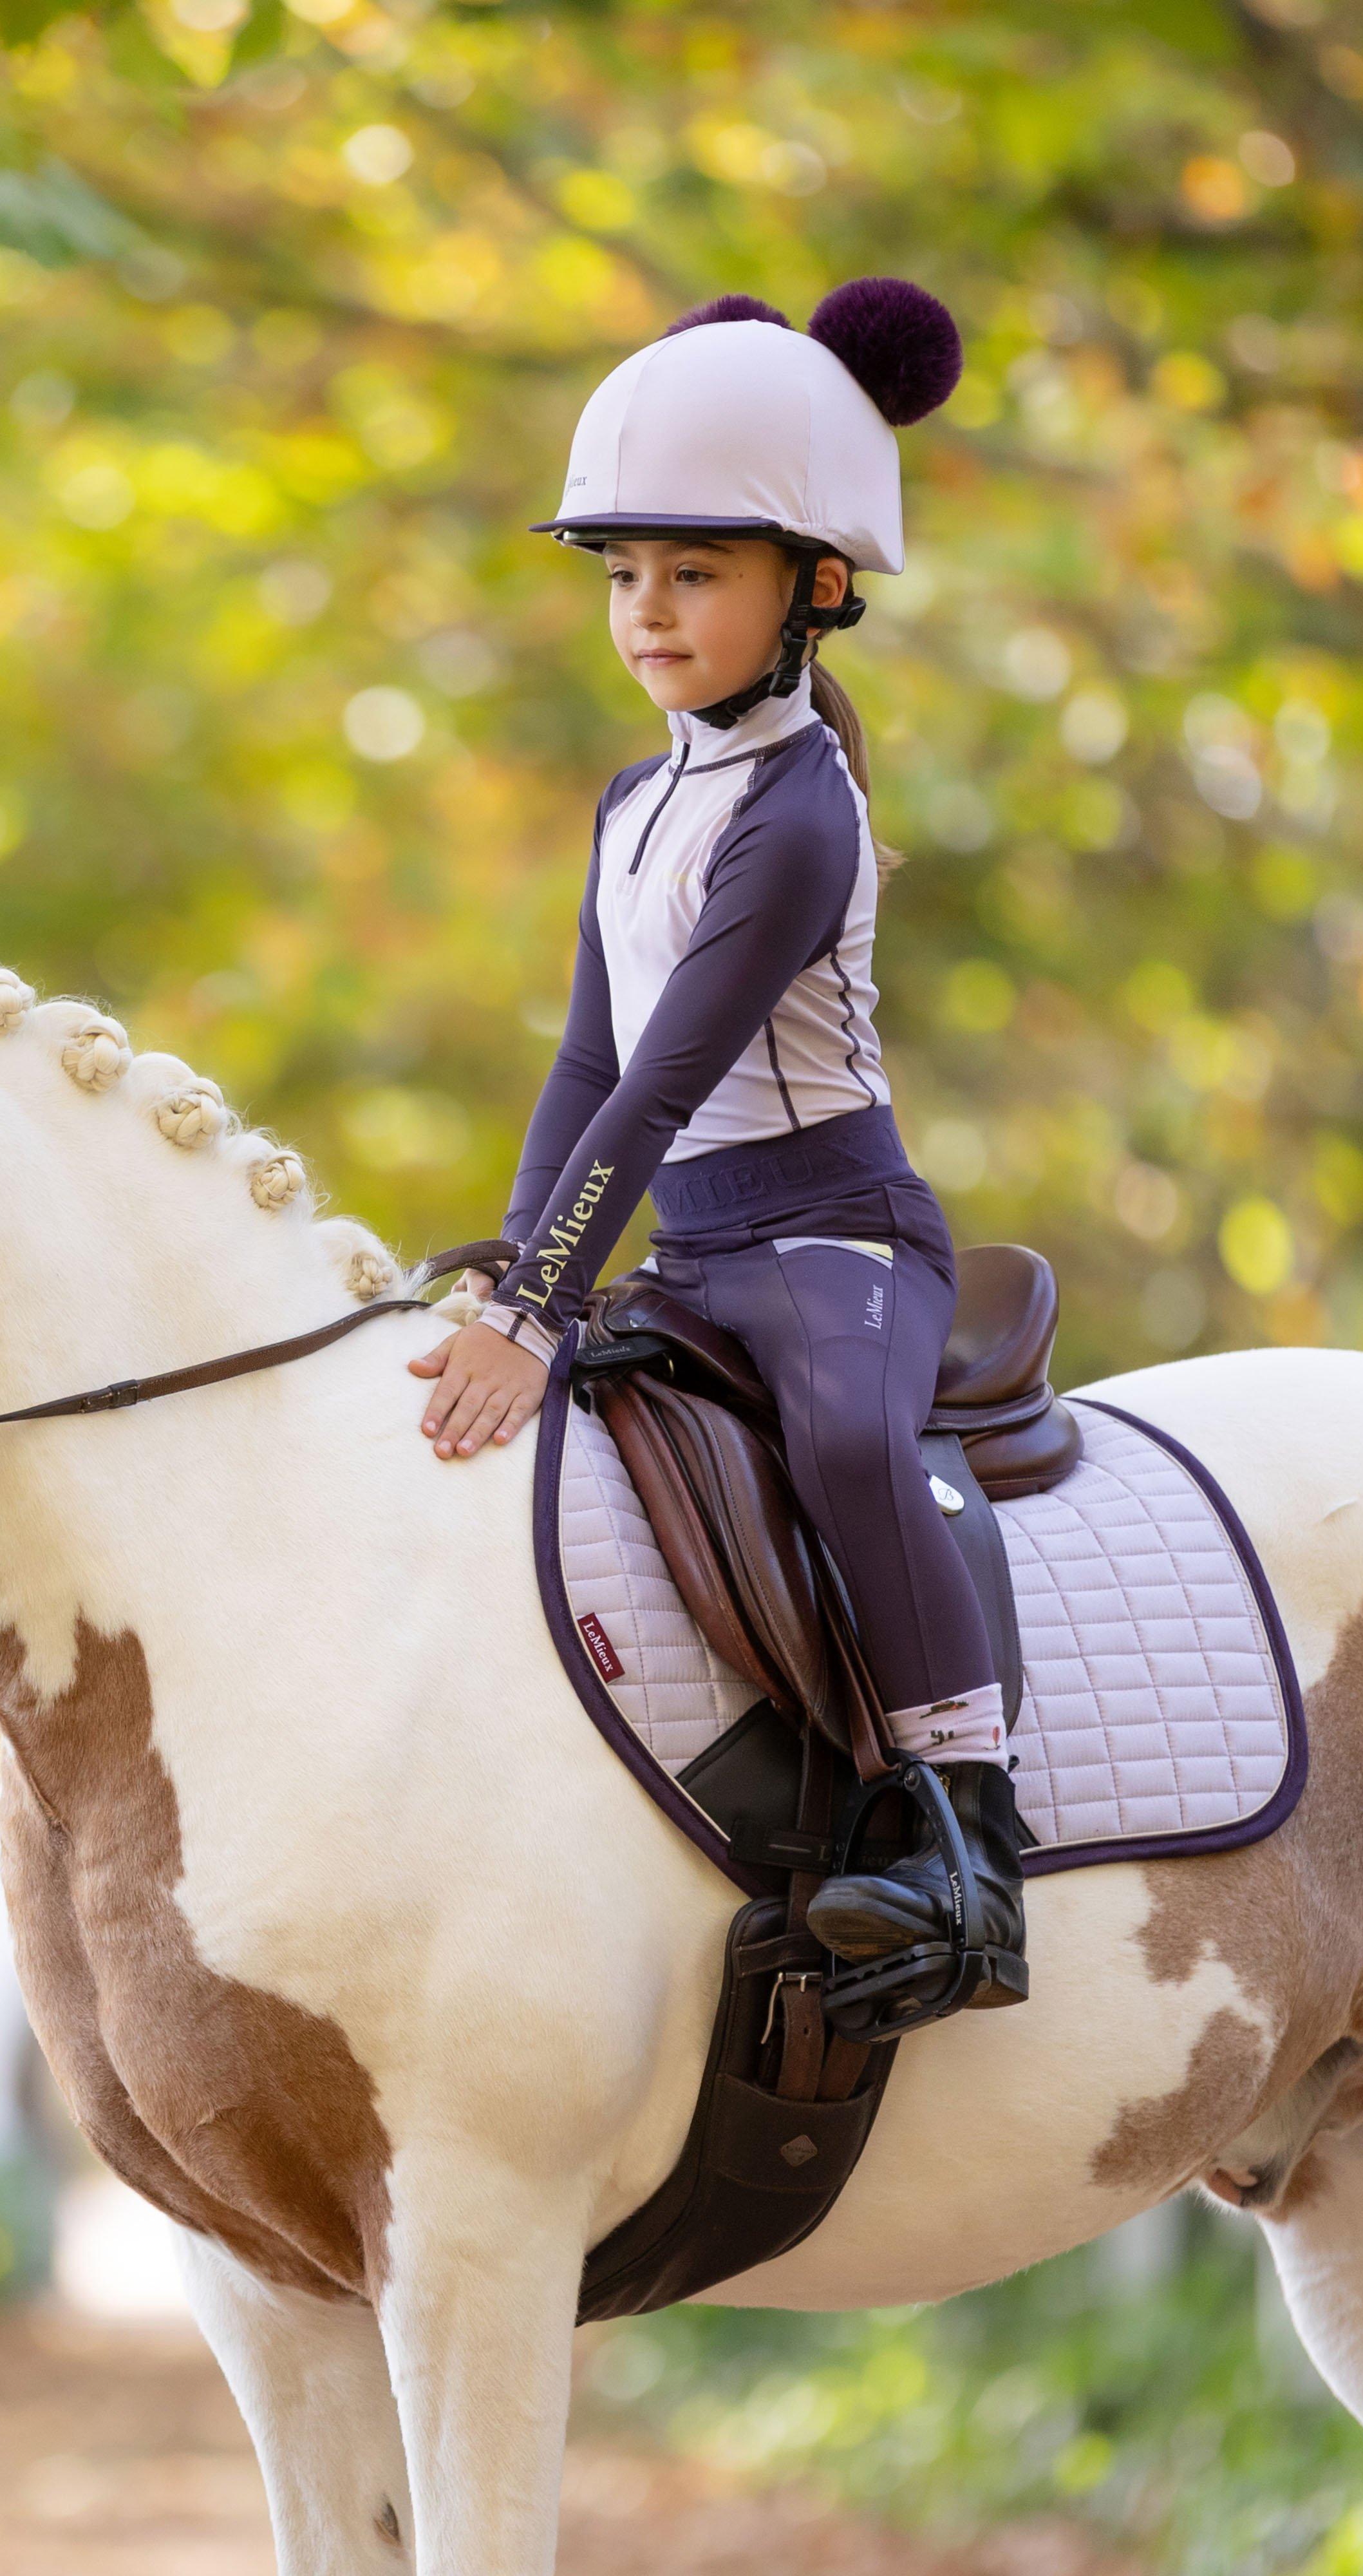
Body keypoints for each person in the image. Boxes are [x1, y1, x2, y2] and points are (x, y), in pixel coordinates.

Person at [408, 280, 1028, 2003]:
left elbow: (668, 1079)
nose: (648, 612)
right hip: (693, 1246)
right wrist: (511, 1274)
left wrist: (539, 1310)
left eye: (694, 574)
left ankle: (972, 1852)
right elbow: (586, 1062)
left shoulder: (804, 808)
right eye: (625, 575)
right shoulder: (636, 801)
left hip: (836, 1238)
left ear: (814, 589)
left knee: (843, 1440)